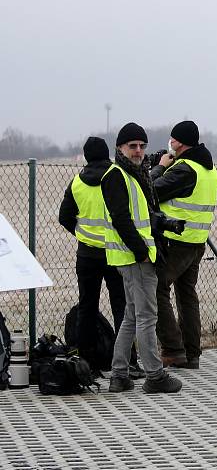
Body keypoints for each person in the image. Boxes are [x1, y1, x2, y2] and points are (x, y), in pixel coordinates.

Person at [101, 122, 182, 394]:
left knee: (132, 316)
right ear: (120, 148)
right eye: (132, 146)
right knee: (147, 316)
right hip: (136, 257)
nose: (138, 151)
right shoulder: (117, 175)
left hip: (133, 256)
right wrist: (143, 253)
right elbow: (122, 221)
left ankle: (119, 375)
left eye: (141, 146)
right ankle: (154, 376)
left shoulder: (135, 173)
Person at [58, 137, 143, 378]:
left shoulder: (76, 183)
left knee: (87, 307)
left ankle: (87, 363)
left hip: (86, 254)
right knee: (122, 307)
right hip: (115, 252)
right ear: (108, 153)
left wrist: (82, 234)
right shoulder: (116, 176)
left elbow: (64, 216)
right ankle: (127, 361)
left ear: (85, 156)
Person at [151, 121, 217, 369]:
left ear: (179, 142)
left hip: (175, 241)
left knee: (156, 289)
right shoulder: (209, 170)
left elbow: (150, 192)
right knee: (186, 295)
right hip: (196, 241)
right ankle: (192, 353)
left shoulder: (185, 170)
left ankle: (173, 350)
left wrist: (158, 169)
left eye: (172, 139)